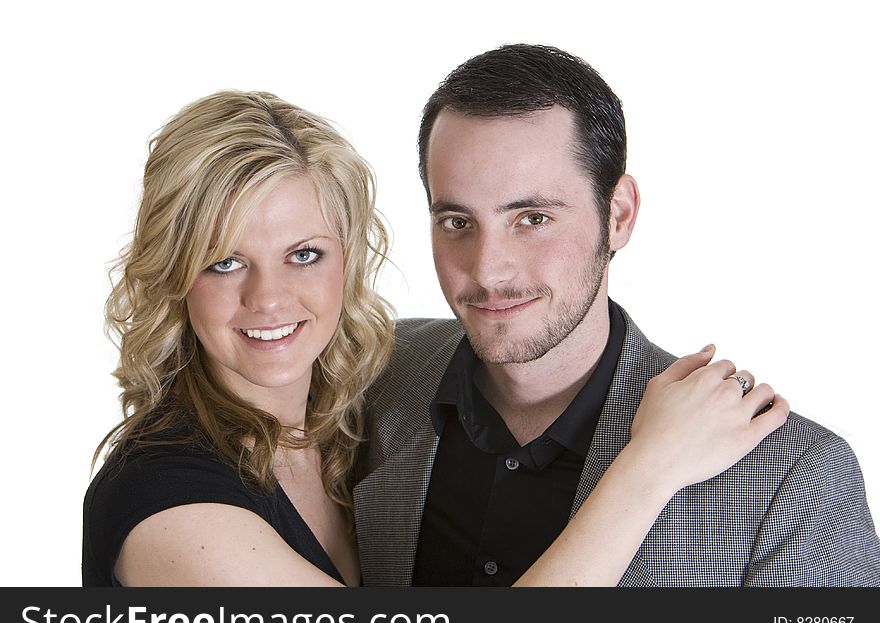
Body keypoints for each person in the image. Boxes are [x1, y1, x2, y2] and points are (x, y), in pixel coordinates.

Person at [82, 89, 786, 587]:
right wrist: (648, 468)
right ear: (174, 273)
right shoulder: (171, 504)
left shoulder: (362, 409)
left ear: (349, 257)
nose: (269, 298)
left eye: (304, 254)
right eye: (224, 261)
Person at [352, 44, 880, 586]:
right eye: (457, 222)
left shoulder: (791, 476)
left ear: (619, 215)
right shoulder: (373, 374)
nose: (489, 272)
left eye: (533, 218)